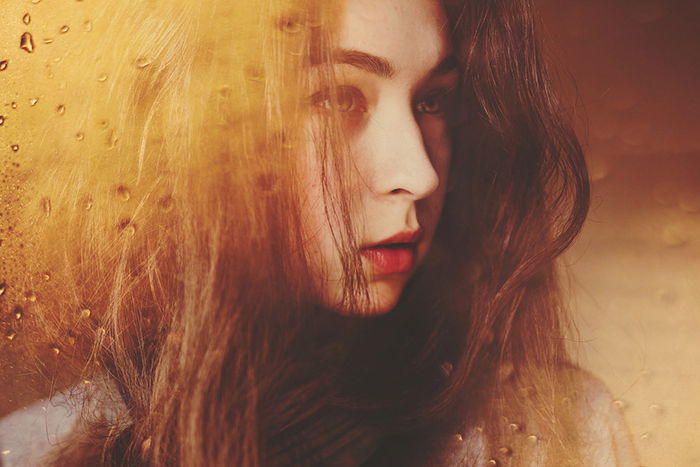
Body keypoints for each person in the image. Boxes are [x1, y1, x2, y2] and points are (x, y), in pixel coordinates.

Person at [0, 0, 637, 465]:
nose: (415, 173)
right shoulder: (32, 453)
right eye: (337, 99)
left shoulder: (556, 433)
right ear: (191, 132)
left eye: (433, 100)